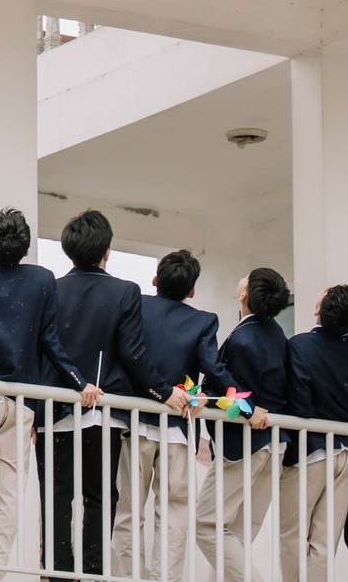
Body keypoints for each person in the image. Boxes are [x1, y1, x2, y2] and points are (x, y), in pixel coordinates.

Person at [0, 208, 97, 582]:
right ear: (26, 249)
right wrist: (80, 382)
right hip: (22, 401)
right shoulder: (42, 280)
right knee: (8, 495)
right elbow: (50, 342)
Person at [42, 210, 189, 581]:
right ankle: (94, 571)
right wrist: (163, 392)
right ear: (106, 250)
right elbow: (133, 353)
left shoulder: (50, 289)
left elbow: (41, 348)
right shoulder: (124, 291)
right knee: (100, 495)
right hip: (103, 410)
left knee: (56, 495)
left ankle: (59, 573)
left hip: (52, 408)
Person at [111, 249, 227, 581]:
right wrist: (223, 398)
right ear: (192, 290)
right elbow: (213, 369)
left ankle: (127, 577)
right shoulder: (204, 321)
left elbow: (127, 353)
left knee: (127, 510)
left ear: (155, 280)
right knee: (174, 514)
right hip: (178, 426)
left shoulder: (136, 306)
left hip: (134, 421)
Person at [194, 268, 295, 582]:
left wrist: (206, 395)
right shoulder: (277, 334)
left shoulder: (242, 339)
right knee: (238, 532)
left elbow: (232, 391)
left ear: (244, 295)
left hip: (244, 444)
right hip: (275, 443)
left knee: (206, 524)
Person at [282, 285, 348, 582]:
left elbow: (300, 404)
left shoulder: (299, 345)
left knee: (292, 533)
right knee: (326, 538)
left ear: (318, 311)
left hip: (311, 448)